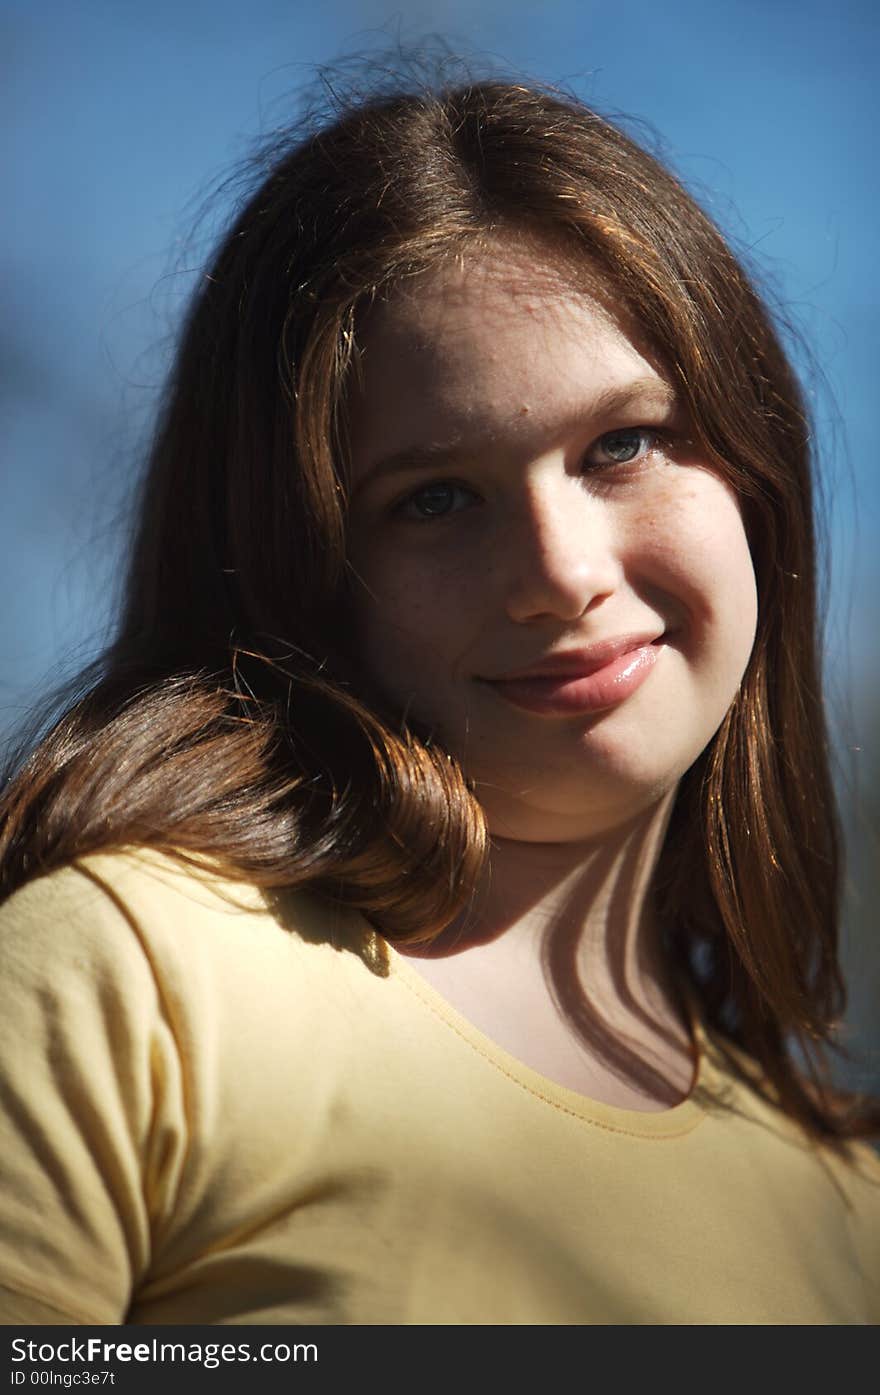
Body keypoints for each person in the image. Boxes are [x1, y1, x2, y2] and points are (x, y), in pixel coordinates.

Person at [1, 71, 878, 1328]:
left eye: (621, 444)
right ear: (296, 577)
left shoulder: (848, 1211)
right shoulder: (128, 977)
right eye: (434, 499)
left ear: (757, 470)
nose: (560, 575)